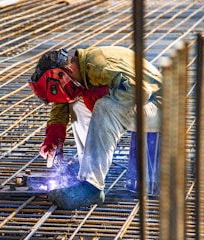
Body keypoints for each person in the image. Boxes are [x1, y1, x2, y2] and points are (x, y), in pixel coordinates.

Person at [28, 46, 162, 210]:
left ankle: (92, 187)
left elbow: (141, 92)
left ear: (66, 71)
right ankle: (87, 170)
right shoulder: (81, 69)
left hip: (159, 107)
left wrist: (102, 94)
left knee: (104, 106)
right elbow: (63, 101)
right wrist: (54, 137)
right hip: (142, 107)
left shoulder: (99, 65)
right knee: (78, 102)